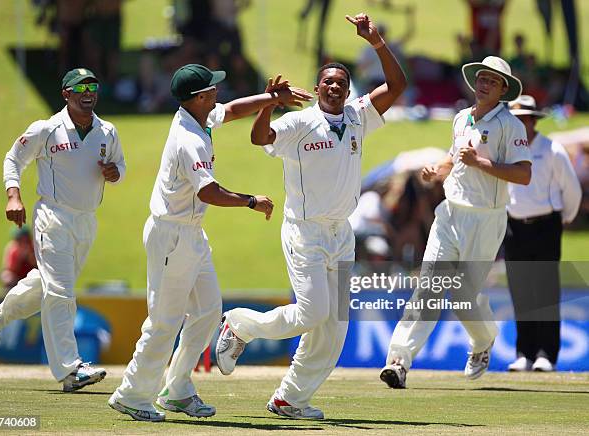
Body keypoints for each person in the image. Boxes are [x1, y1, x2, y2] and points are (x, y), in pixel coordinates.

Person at [216, 13, 407, 419]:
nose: (335, 87)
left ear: (348, 89)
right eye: (329, 82)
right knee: (311, 313)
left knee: (334, 328)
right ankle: (240, 326)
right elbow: (259, 138)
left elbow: (397, 86)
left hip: (342, 233)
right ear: (318, 88)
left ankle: (290, 398)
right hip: (304, 231)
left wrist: (376, 42)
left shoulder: (357, 116)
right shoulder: (300, 121)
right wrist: (269, 103)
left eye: (342, 83)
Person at [107, 64, 312, 422]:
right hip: (172, 234)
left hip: (190, 233)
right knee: (165, 320)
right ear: (199, 97)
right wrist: (250, 200)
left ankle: (177, 389)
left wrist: (271, 99)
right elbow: (209, 191)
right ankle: (132, 394)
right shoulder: (189, 138)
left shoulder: (198, 115)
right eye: (212, 89)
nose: (218, 92)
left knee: (206, 312)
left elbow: (232, 110)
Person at [380, 56, 531, 388]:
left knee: (465, 297)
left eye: (492, 80)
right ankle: (399, 361)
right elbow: (454, 156)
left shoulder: (511, 126)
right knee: (428, 289)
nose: (484, 84)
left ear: (504, 89)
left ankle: (482, 340)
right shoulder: (462, 118)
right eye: (481, 78)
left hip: (486, 219)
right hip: (450, 214)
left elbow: (523, 174)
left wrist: (480, 162)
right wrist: (438, 170)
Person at [0, 69, 125, 393]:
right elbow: (13, 159)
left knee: (44, 288)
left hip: (86, 221)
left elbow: (119, 166)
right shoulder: (47, 129)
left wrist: (115, 173)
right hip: (52, 216)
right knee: (60, 291)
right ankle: (70, 370)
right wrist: (13, 196)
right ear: (66, 94)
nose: (88, 93)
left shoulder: (107, 131)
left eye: (93, 87)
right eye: (80, 88)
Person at [505, 95, 581, 372]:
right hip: (514, 226)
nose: (518, 125)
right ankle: (524, 353)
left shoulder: (552, 150)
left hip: (546, 225)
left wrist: (563, 217)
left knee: (546, 292)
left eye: (523, 119)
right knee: (521, 290)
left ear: (533, 120)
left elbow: (572, 190)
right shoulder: (507, 151)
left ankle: (546, 354)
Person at [0, 226, 37, 293]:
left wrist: (29, 257)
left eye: (25, 240)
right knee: (7, 277)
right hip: (17, 278)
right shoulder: (13, 249)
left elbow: (39, 266)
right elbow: (9, 269)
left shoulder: (34, 247)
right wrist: (19, 258)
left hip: (33, 277)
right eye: (20, 240)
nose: (23, 242)